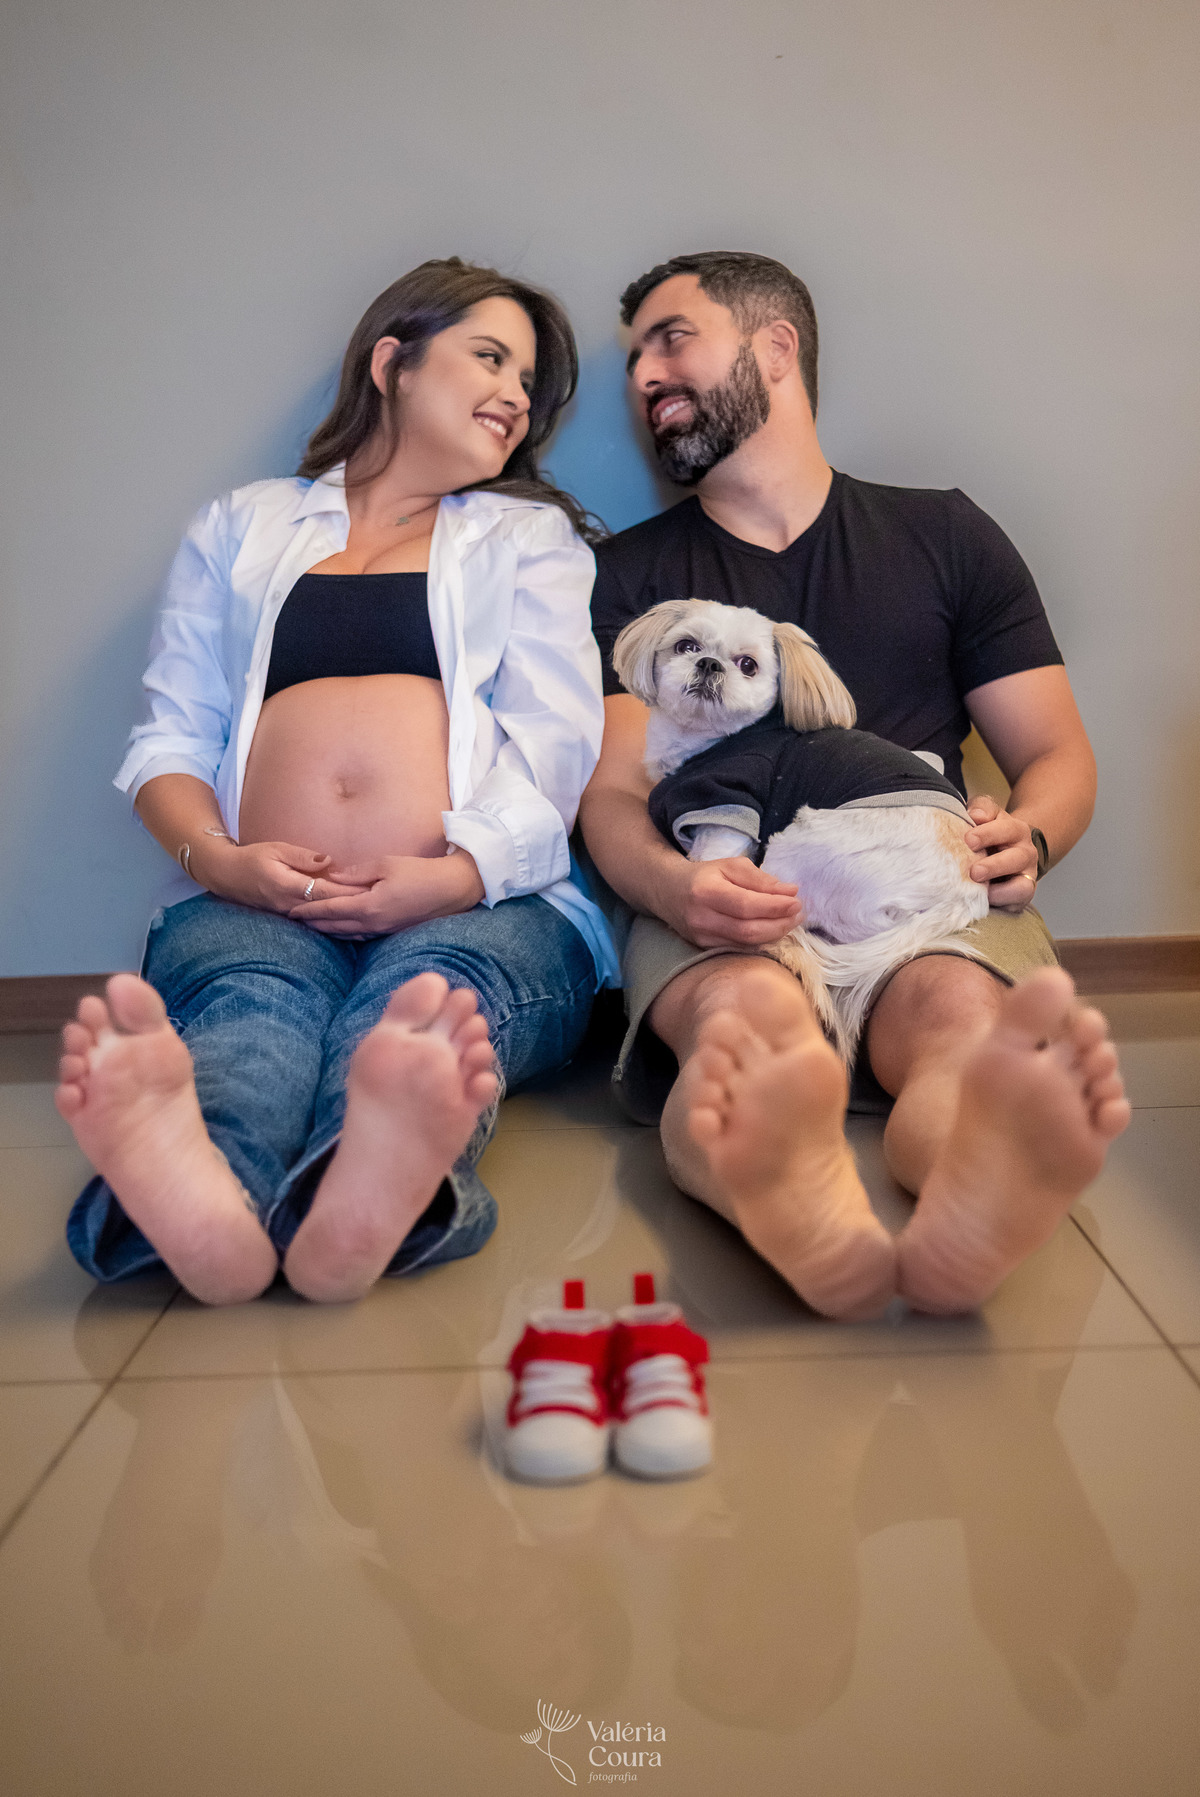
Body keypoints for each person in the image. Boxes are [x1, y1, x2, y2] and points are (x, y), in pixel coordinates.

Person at [579, 250, 1130, 1322]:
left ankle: (975, 1197)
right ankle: (798, 1208)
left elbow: (1058, 755)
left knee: (958, 1019)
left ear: (775, 348)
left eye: (672, 339)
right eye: (635, 356)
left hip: (924, 882)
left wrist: (1030, 837)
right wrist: (675, 888)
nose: (643, 375)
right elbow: (610, 793)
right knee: (741, 1026)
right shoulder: (628, 576)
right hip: (716, 892)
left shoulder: (946, 535)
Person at [58, 258, 617, 1308]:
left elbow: (555, 744)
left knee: (426, 1008)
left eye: (527, 381)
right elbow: (170, 738)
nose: (515, 394)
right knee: (248, 1015)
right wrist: (222, 863)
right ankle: (206, 1198)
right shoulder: (243, 525)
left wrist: (456, 876)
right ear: (393, 362)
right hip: (256, 903)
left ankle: (366, 1186)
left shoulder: (526, 539)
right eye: (489, 357)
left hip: (480, 908)